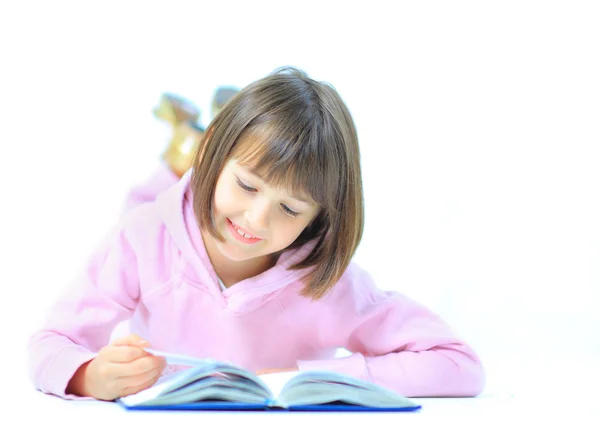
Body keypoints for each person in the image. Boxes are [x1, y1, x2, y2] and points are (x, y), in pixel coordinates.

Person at [28, 67, 486, 402]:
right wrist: (89, 375)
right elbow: (49, 345)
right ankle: (184, 148)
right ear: (211, 155)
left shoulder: (329, 283)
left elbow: (458, 365)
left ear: (319, 218)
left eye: (290, 208)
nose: (257, 219)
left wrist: (325, 376)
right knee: (155, 198)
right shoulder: (142, 241)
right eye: (247, 185)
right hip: (175, 208)